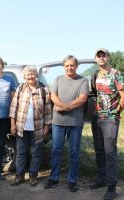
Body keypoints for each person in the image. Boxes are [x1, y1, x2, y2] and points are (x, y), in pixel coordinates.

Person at [45, 55, 89, 192]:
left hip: (75, 123)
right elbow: (53, 96)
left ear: (76, 66)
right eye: (67, 65)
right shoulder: (58, 79)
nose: (69, 67)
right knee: (56, 150)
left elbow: (82, 99)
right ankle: (53, 178)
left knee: (74, 152)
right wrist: (63, 106)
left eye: (72, 65)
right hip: (58, 122)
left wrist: (65, 107)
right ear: (64, 67)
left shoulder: (83, 81)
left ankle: (72, 180)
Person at [90, 48, 124, 200]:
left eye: (103, 55)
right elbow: (95, 94)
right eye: (98, 55)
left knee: (110, 152)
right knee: (99, 150)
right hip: (97, 118)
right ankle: (101, 179)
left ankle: (112, 187)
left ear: (108, 57)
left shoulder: (116, 74)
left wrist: (116, 113)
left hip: (110, 119)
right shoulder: (95, 75)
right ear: (96, 59)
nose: (101, 58)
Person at [9, 66, 52, 186]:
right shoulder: (20, 88)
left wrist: (46, 127)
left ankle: (33, 176)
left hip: (38, 127)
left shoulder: (44, 90)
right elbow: (13, 107)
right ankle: (19, 175)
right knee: (21, 152)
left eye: (32, 74)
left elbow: (48, 110)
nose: (30, 76)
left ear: (36, 75)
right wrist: (12, 123)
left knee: (36, 153)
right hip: (21, 127)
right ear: (24, 76)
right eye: (28, 74)